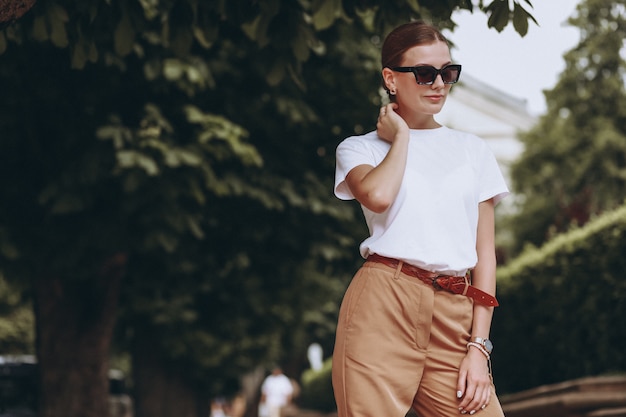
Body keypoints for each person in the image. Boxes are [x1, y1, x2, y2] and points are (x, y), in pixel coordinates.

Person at [331, 20, 509, 417]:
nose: (439, 84)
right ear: (391, 79)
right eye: (425, 73)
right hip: (383, 304)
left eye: (448, 73)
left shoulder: (473, 150)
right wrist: (403, 139)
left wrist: (479, 348)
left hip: (454, 312)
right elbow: (377, 196)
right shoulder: (359, 149)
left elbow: (485, 255)